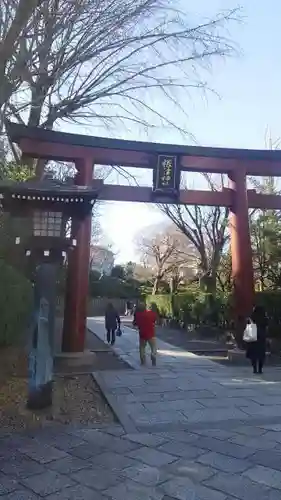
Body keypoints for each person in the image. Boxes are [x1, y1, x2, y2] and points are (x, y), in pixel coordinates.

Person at [246, 305, 268, 374]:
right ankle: (260, 369)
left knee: (253, 354)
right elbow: (267, 326)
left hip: (253, 336)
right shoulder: (264, 318)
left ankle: (255, 369)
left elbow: (248, 326)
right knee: (261, 354)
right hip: (262, 338)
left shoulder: (251, 318)